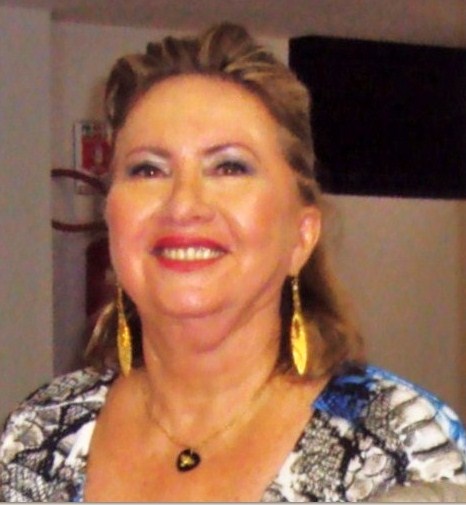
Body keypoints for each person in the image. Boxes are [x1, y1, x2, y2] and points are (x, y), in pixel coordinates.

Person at [1, 22, 466, 502]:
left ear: (301, 235)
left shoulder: (401, 447)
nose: (183, 204)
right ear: (111, 219)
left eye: (229, 167)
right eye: (148, 169)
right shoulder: (37, 434)